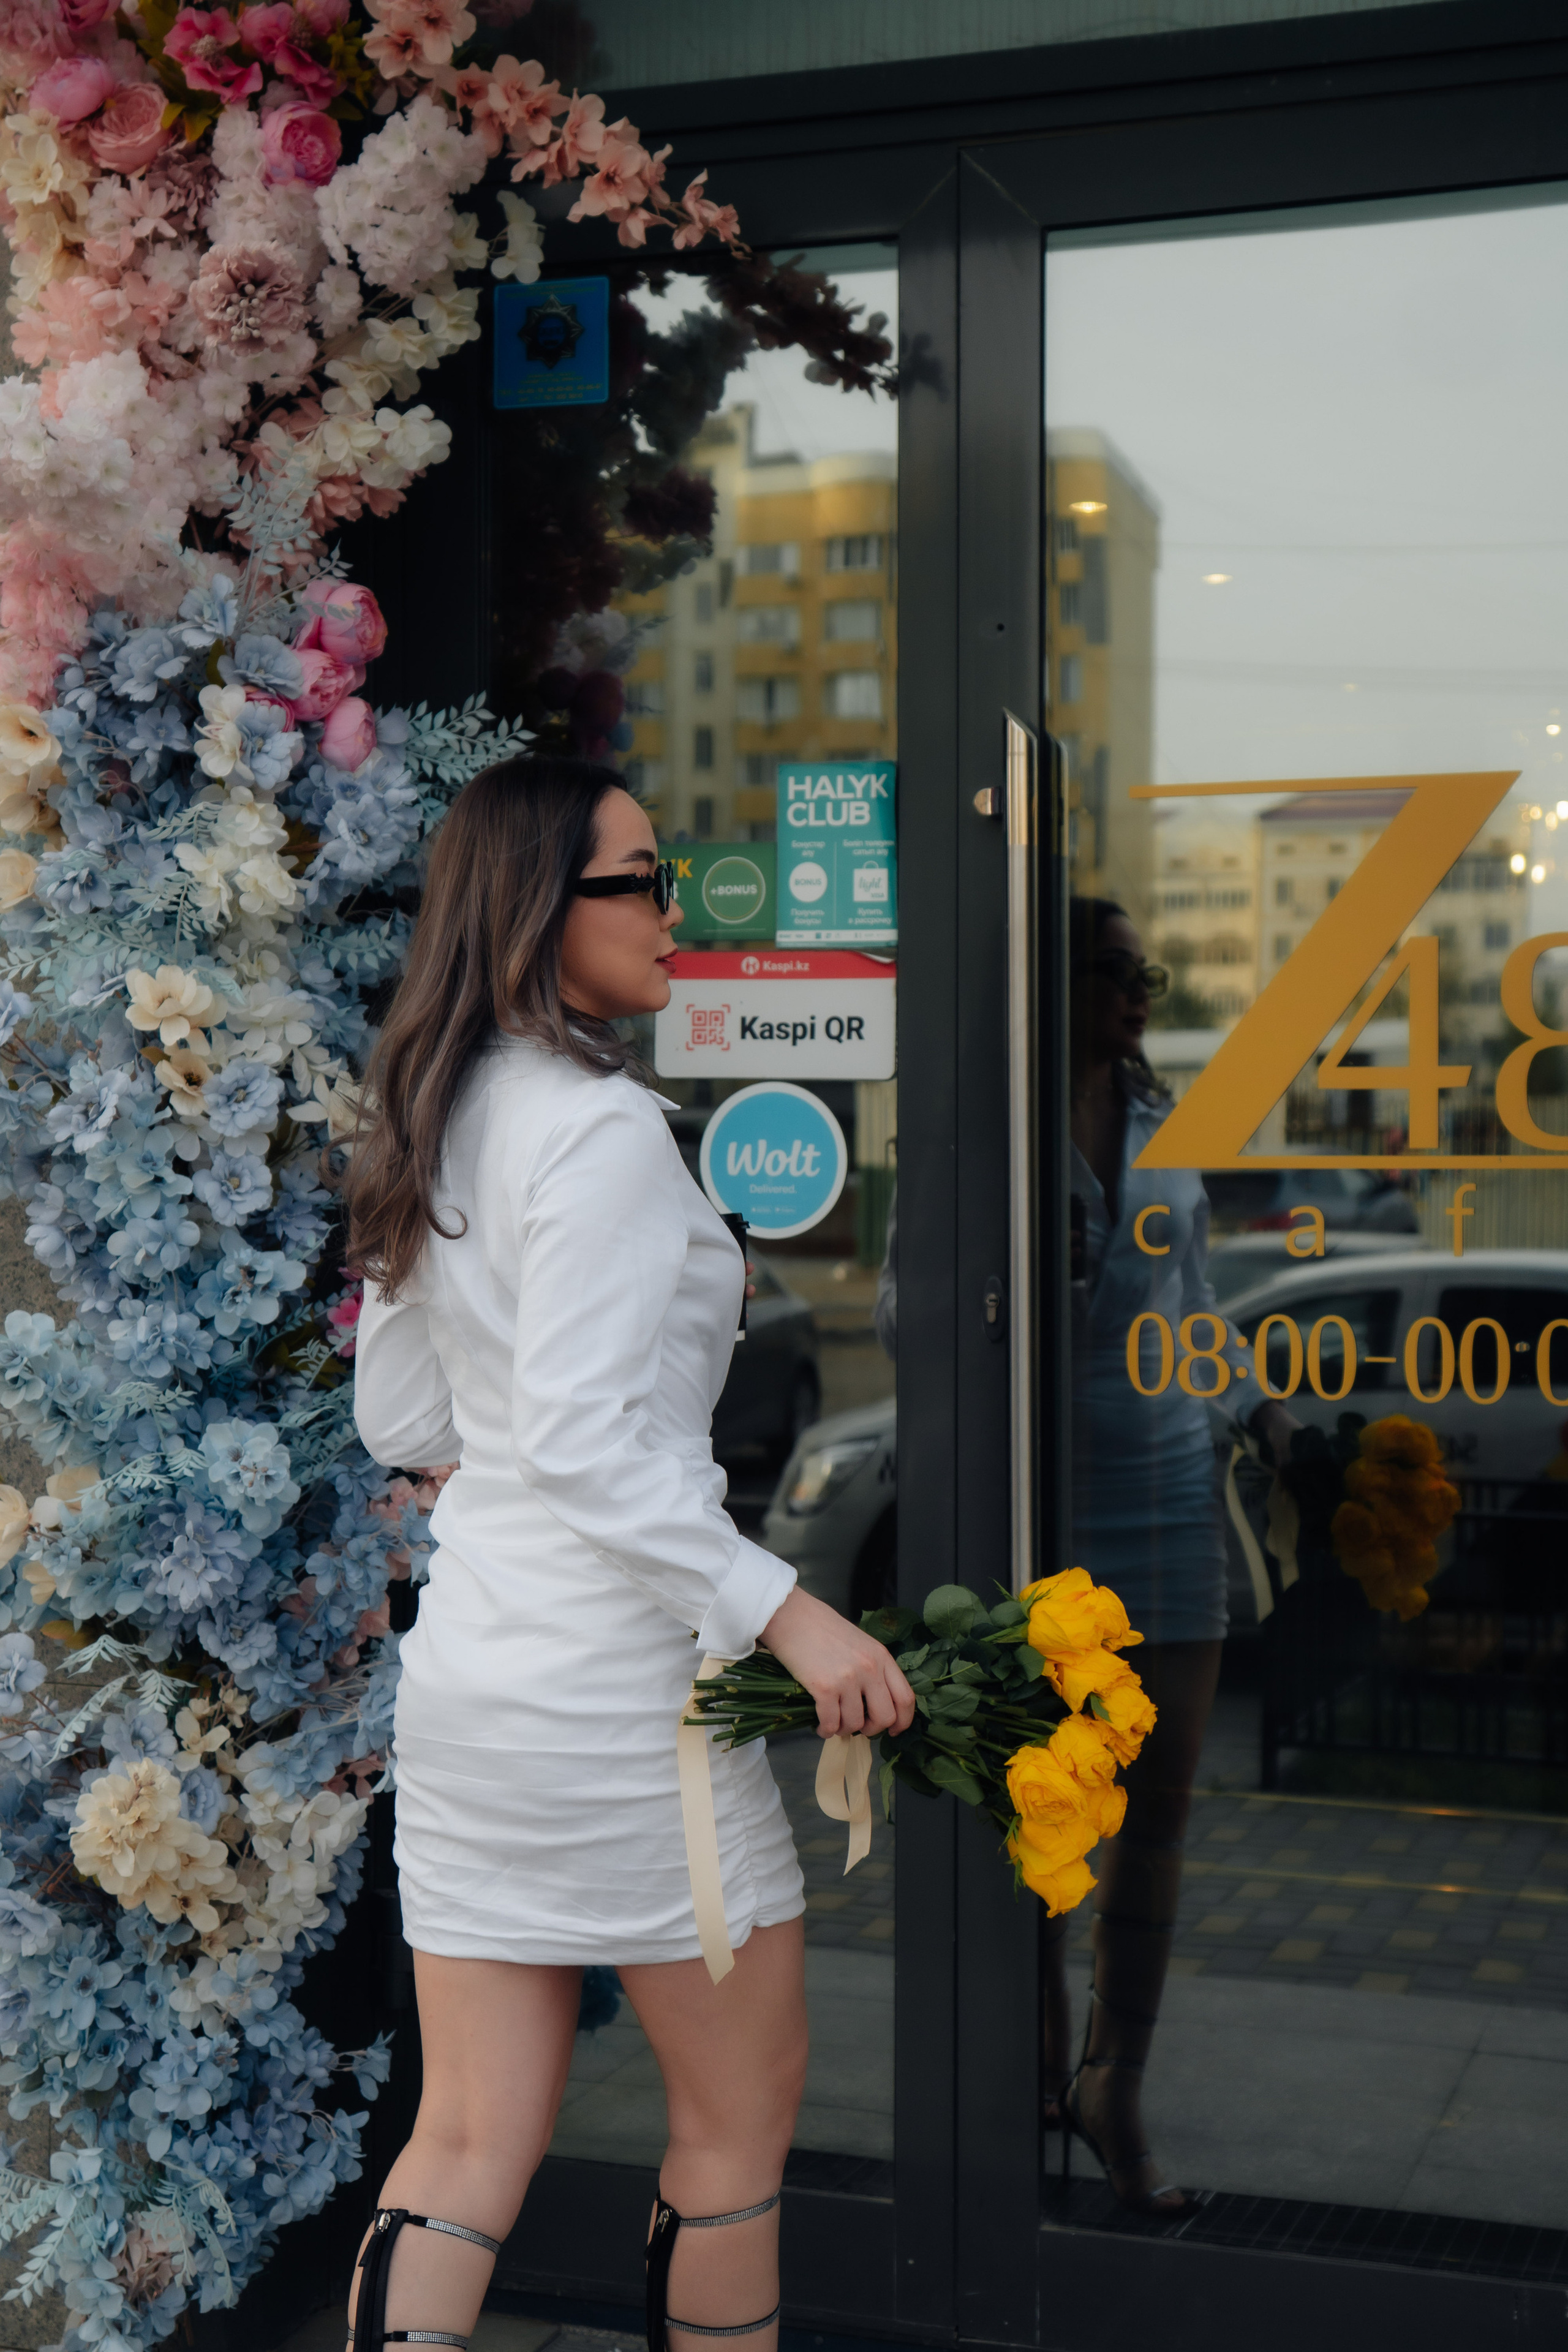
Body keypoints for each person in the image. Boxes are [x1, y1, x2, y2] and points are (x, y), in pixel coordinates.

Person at [344, 756, 914, 2352]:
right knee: (733, 2131)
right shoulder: (596, 1130)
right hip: (624, 1708)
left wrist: (520, 1462)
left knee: (466, 2141)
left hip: (476, 1689)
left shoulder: (440, 1110)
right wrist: (791, 1616)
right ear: (541, 907)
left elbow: (399, 1413)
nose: (676, 910)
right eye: (642, 881)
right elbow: (589, 1444)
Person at [1050, 897, 1295, 2215]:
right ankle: (1029, 2067)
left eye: (1142, 968)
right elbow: (921, 1311)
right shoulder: (993, 1125)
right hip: (1048, 1504)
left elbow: (1195, 1311)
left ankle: (1112, 2090)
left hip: (1168, 1488)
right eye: (1112, 968)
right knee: (1042, 1815)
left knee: (1157, 1820)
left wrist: (1267, 1416)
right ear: (1052, 982)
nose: (1139, 988)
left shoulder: (1165, 1126)